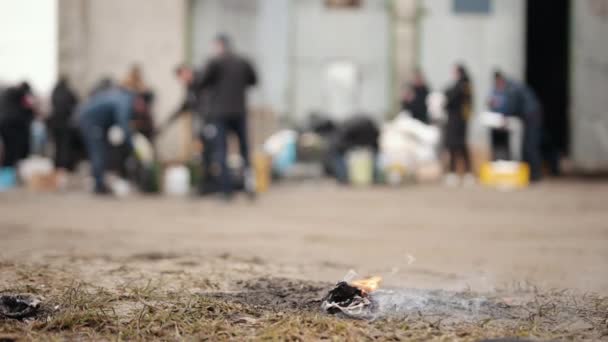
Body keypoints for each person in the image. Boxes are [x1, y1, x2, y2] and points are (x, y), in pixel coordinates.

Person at [198, 34, 258, 199]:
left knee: (222, 151)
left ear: (219, 46)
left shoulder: (215, 62)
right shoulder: (243, 61)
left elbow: (203, 82)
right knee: (245, 151)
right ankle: (249, 186)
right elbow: (253, 81)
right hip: (239, 111)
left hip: (220, 113)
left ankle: (226, 191)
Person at [77, 87, 145, 195]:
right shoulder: (125, 102)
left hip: (95, 122)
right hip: (91, 122)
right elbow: (123, 123)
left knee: (102, 152)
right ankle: (99, 186)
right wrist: (132, 146)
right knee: (98, 153)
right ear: (138, 102)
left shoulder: (123, 97)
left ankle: (101, 183)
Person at [444, 64, 474, 186]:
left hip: (459, 121)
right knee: (453, 146)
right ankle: (454, 172)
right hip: (456, 120)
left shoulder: (463, 85)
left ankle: (466, 173)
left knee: (460, 146)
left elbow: (452, 98)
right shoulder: (461, 85)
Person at [0, 82, 36, 167]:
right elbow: (29, 108)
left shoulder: (6, 92)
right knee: (15, 150)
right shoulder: (22, 94)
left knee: (7, 149)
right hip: (15, 125)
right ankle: (12, 169)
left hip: (3, 123)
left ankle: (7, 169)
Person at [49, 76, 79, 171]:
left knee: (57, 145)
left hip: (54, 122)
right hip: (65, 123)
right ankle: (65, 166)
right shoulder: (68, 92)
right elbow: (76, 103)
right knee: (65, 145)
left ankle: (58, 165)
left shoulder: (54, 92)